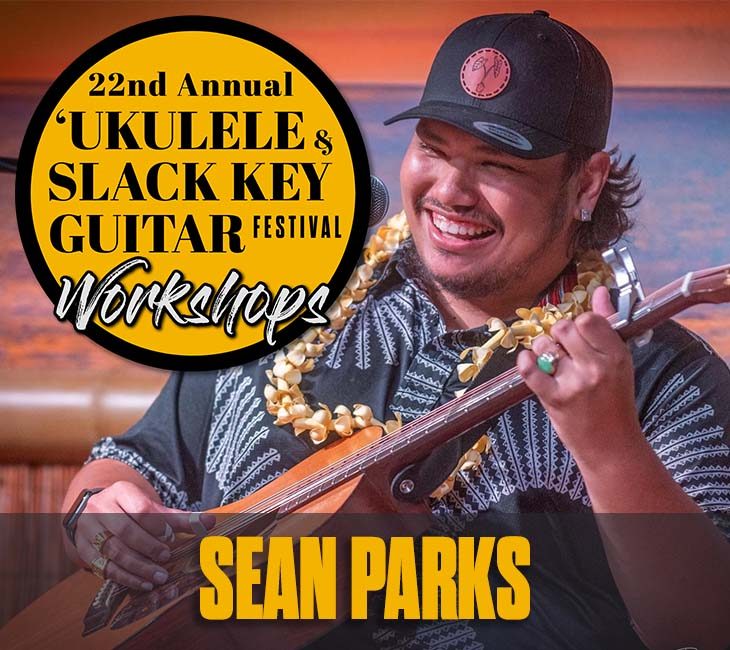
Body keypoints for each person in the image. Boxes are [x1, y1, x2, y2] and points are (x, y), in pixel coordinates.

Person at [61, 10, 730, 649]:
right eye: (432, 149)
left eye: (498, 166)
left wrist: (610, 448)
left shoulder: (663, 379)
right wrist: (101, 520)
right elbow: (132, 463)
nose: (451, 191)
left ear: (586, 183)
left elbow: (705, 621)